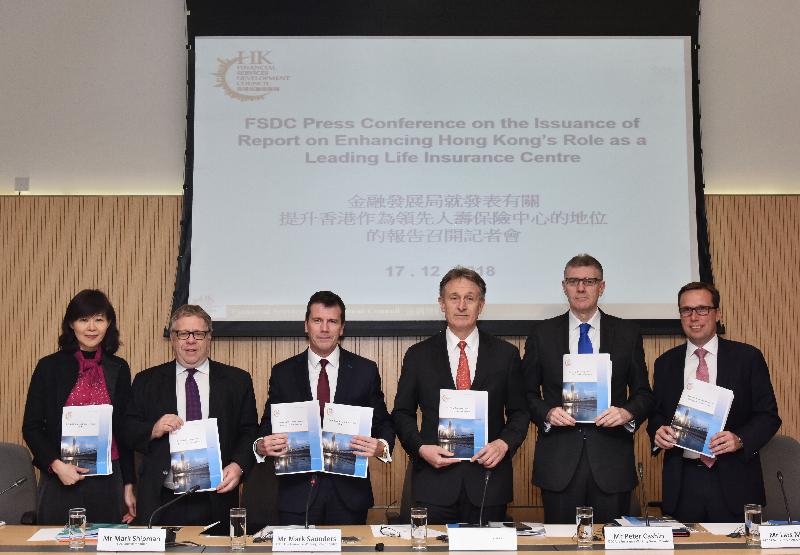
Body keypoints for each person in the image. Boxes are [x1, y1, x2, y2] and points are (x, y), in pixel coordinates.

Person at [392, 267, 529, 524]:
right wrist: (421, 449)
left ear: (481, 304)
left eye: (470, 298)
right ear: (442, 304)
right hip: (434, 483)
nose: (462, 305)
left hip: (489, 483)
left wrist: (503, 444)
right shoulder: (418, 355)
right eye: (454, 298)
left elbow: (520, 412)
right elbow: (402, 413)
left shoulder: (505, 354)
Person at [523, 254, 653, 523]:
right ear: (564, 286)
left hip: (612, 462)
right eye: (573, 281)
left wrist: (627, 413)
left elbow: (643, 393)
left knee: (611, 546)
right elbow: (526, 394)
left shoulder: (627, 333)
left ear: (601, 287)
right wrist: (547, 413)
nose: (581, 288)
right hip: (559, 463)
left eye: (589, 281)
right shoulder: (542, 333)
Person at [255, 291, 395, 525]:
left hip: (349, 496)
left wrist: (382, 446)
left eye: (332, 321)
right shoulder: (283, 372)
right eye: (318, 321)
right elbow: (268, 423)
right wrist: (261, 445)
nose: (324, 328)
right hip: (296, 495)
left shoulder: (365, 371)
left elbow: (383, 423)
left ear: (342, 328)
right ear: (306, 325)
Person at [647, 282, 781, 522]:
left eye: (702, 309)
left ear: (717, 313)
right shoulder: (665, 363)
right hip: (683, 485)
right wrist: (658, 433)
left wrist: (739, 439)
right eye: (686, 310)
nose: (694, 317)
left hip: (735, 481)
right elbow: (657, 414)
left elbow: (768, 416)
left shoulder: (747, 358)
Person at [125, 304, 258, 525]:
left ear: (209, 338)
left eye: (198, 333)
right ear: (172, 339)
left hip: (217, 496)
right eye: (182, 333)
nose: (190, 340)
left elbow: (249, 431)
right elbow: (127, 429)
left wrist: (238, 466)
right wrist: (153, 429)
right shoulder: (146, 380)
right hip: (162, 499)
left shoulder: (237, 381)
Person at [22, 289, 136, 524]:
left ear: (109, 324)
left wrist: (128, 485)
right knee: (56, 547)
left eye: (99, 319)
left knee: (106, 547)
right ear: (71, 324)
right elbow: (31, 427)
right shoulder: (48, 367)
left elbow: (123, 431)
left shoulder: (119, 368)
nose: (91, 327)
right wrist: (56, 466)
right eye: (83, 320)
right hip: (60, 478)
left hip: (108, 480)